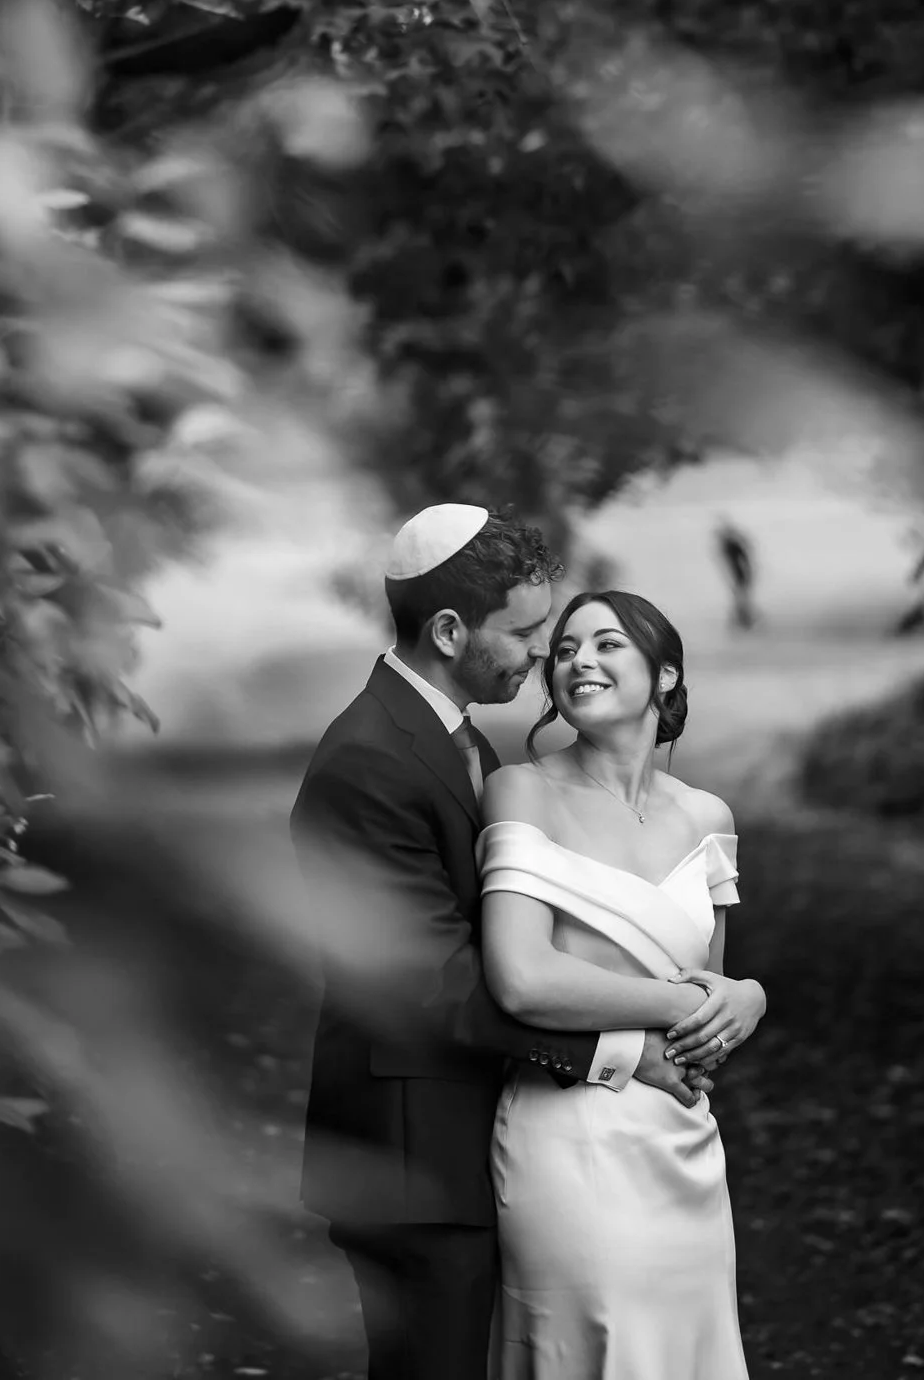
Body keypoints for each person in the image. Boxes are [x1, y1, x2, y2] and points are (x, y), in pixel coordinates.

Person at [290, 507, 713, 1380]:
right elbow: (429, 983)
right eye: (523, 634)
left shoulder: (461, 741)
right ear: (450, 632)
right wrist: (618, 1051)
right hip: (409, 1162)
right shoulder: (366, 762)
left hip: (480, 1144)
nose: (542, 654)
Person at [481, 588, 767, 1379]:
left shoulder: (708, 817)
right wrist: (687, 1004)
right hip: (568, 1134)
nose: (579, 660)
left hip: (681, 1137)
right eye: (566, 649)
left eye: (607, 644)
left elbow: (706, 999)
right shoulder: (521, 791)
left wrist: (747, 996)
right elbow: (521, 979)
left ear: (664, 675)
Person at [715, 518, 757, 630]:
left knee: (740, 598)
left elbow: (740, 560)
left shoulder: (731, 545)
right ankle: (742, 621)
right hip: (737, 575)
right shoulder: (731, 545)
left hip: (738, 575)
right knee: (740, 598)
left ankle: (743, 621)